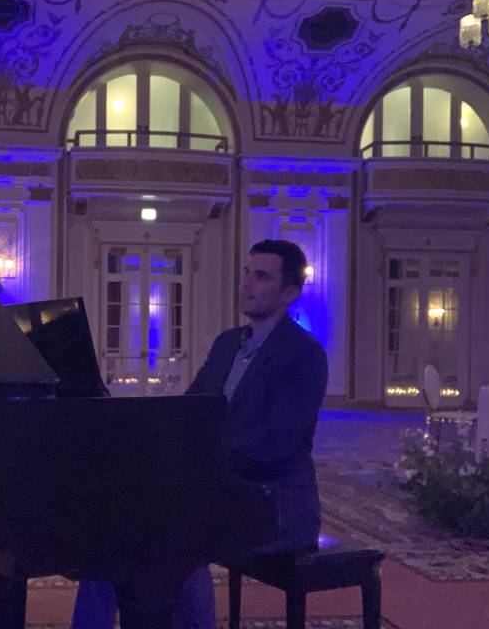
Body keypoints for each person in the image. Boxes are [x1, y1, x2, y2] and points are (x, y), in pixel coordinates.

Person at [72, 239, 328, 629]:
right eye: (247, 273)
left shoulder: (304, 354)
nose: (247, 284)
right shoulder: (228, 344)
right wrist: (147, 440)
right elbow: (191, 411)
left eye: (261, 276)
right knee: (116, 524)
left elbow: (274, 445)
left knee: (174, 531)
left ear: (289, 292)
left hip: (272, 505)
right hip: (221, 493)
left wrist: (196, 468)